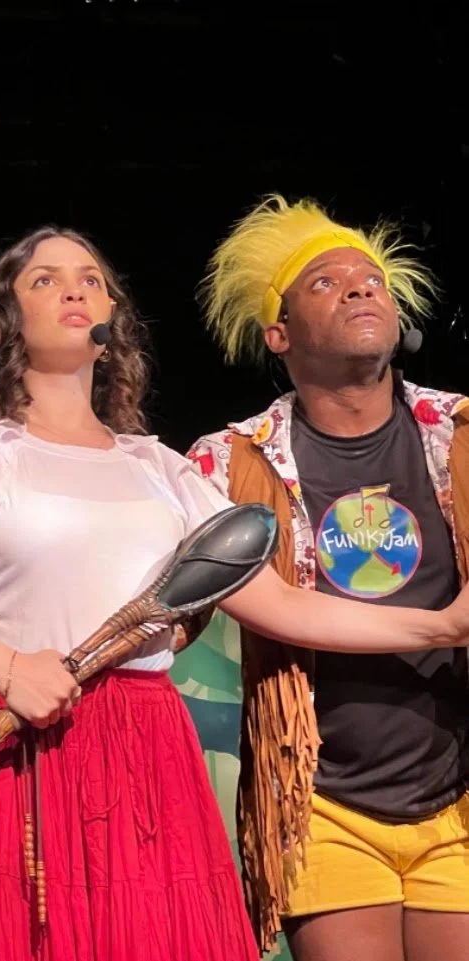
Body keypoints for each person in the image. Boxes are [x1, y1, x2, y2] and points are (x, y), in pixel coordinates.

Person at [0, 225, 469, 961]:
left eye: (91, 279)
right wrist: (5, 666)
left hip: (148, 744)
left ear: (114, 322)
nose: (74, 289)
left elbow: (281, 605)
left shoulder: (160, 467)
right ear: (6, 320)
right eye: (45, 280)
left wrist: (441, 626)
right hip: (28, 737)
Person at [187, 195, 469, 961]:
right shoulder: (229, 462)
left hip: (459, 798)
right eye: (325, 281)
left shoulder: (460, 433)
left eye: (371, 279)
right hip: (321, 803)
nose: (358, 287)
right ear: (278, 334)